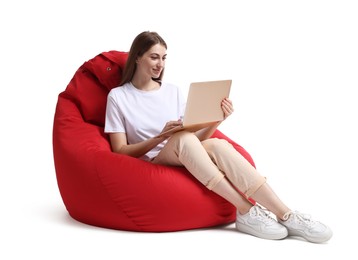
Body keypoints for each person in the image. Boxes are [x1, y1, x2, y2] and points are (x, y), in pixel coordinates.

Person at [104, 31, 333, 243]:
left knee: (216, 144)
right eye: (154, 57)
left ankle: (286, 214)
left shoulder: (172, 90)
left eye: (164, 58)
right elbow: (119, 151)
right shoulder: (118, 97)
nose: (160, 64)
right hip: (155, 161)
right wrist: (160, 137)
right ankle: (245, 209)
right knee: (183, 139)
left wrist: (217, 119)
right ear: (137, 57)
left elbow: (195, 139)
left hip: (184, 151)